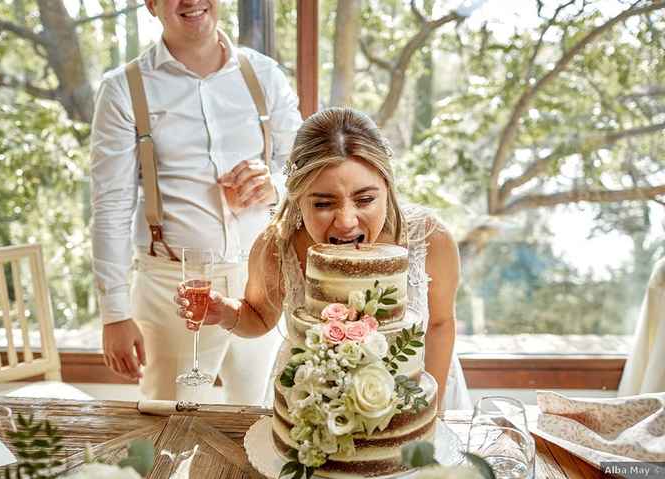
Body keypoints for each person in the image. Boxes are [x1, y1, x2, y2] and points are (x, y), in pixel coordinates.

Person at [176, 107, 471, 409]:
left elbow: (440, 325)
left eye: (365, 199)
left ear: (387, 188)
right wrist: (224, 312)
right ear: (297, 197)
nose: (346, 221)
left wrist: (427, 410)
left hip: (420, 390)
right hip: (314, 404)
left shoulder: (429, 238)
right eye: (323, 203)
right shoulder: (277, 246)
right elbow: (260, 316)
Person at [90, 0, 302, 402]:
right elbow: (110, 207)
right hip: (171, 288)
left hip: (261, 279)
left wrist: (275, 183)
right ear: (152, 5)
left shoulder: (263, 74)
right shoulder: (123, 88)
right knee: (168, 425)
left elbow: (306, 166)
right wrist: (115, 313)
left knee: (265, 422)